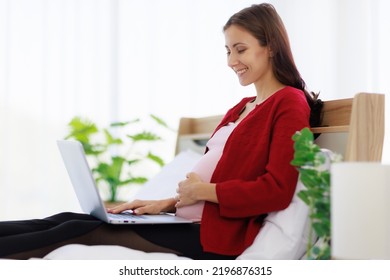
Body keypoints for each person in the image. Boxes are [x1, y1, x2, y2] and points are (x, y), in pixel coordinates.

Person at [0, 3, 322, 260]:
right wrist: (164, 203)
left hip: (212, 237)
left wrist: (202, 193)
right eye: (227, 50)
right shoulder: (241, 107)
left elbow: (276, 189)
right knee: (68, 219)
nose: (231, 61)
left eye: (240, 49)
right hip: (186, 219)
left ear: (270, 47)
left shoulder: (289, 104)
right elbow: (212, 181)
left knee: (78, 231)